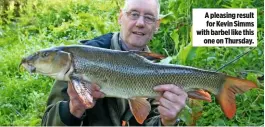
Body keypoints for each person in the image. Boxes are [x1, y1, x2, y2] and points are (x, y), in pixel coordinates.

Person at [41, 0, 188, 126]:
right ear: (120, 17)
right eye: (134, 14)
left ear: (157, 26)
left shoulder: (157, 69)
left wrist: (167, 122)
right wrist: (73, 109)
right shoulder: (80, 57)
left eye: (149, 18)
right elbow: (47, 123)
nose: (140, 23)